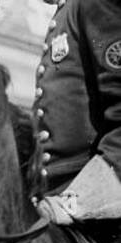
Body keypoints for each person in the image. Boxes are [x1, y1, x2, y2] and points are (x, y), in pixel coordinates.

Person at [32, 0, 121, 224]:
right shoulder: (68, 9)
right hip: (53, 196)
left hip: (93, 211)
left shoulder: (95, 4)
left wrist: (78, 201)